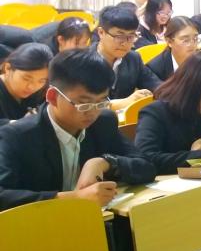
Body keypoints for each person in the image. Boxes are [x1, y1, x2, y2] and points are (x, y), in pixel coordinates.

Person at [0, 49, 156, 212]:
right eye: (84, 104)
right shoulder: (17, 136)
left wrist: (103, 162)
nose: (93, 112)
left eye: (101, 103)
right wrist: (74, 198)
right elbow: (3, 195)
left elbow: (147, 166)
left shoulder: (103, 122)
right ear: (52, 97)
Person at [92, 5, 160, 113]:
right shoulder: (83, 61)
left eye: (131, 37)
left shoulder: (133, 59)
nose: (125, 43)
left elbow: (157, 86)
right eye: (119, 36)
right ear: (101, 32)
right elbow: (84, 105)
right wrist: (126, 102)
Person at [0, 43, 51, 125]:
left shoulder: (41, 90)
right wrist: (20, 124)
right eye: (26, 79)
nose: (32, 87)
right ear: (8, 68)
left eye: (41, 81)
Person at [142, 16, 199, 83]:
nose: (192, 44)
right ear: (169, 42)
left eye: (195, 39)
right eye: (185, 40)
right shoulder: (155, 69)